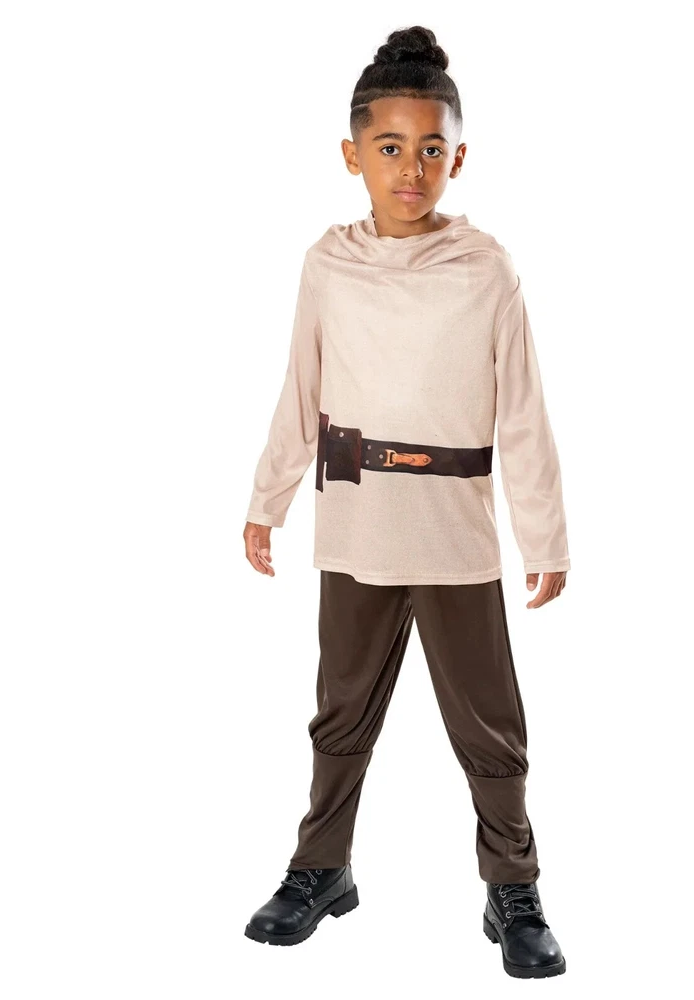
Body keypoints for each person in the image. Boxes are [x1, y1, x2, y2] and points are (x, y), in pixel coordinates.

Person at [241, 26, 569, 979]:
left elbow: (523, 413)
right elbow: (301, 390)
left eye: (431, 149)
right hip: (357, 524)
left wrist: (545, 535)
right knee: (341, 711)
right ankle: (321, 868)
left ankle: (512, 888)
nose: (411, 169)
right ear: (353, 156)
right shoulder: (327, 265)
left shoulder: (487, 269)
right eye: (390, 147)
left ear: (458, 157)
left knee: (489, 724)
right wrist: (268, 498)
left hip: (454, 532)